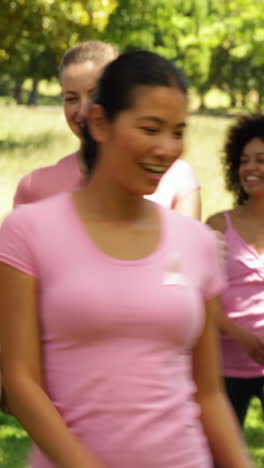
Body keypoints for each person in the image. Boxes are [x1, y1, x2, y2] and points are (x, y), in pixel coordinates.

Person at [0, 51, 252, 468]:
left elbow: (207, 393)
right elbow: (20, 381)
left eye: (178, 131)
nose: (167, 148)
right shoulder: (28, 231)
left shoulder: (195, 242)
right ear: (100, 123)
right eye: (150, 128)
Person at [13, 42, 201, 219]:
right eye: (71, 98)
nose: (84, 109)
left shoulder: (178, 178)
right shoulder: (35, 186)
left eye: (95, 94)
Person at [207, 114, 264, 427]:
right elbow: (204, 301)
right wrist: (239, 335)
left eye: (261, 160)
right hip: (224, 368)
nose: (251, 168)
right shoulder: (218, 226)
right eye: (244, 160)